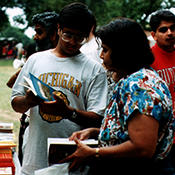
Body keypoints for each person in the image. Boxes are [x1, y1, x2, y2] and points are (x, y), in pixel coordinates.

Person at [60, 17, 175, 175]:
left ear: (123, 52)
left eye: (106, 50)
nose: (101, 56)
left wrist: (94, 152)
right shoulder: (134, 80)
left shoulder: (140, 87)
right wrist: (96, 132)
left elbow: (142, 147)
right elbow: (131, 130)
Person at [11, 2, 108, 175]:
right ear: (58, 29)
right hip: (34, 158)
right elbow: (15, 103)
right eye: (67, 35)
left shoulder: (95, 69)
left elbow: (98, 119)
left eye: (80, 38)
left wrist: (67, 112)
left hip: (70, 162)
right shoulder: (35, 60)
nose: (72, 42)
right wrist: (28, 101)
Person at [7, 11, 60, 165]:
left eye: (39, 32)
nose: (35, 37)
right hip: (31, 127)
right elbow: (11, 84)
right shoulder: (36, 58)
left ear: (54, 34)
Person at [150, 9, 175, 169]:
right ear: (153, 35)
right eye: (163, 29)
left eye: (173, 28)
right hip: (163, 135)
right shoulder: (148, 59)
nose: (170, 33)